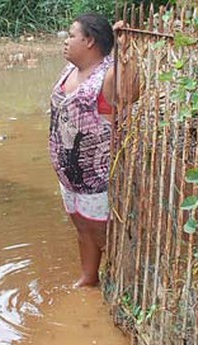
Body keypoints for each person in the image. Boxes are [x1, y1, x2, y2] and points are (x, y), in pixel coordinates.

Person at [48, 13, 133, 287]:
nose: (66, 40)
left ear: (90, 41)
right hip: (70, 177)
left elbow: (131, 93)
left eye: (72, 35)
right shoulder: (70, 70)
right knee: (81, 228)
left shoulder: (108, 74)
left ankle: (118, 280)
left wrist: (125, 51)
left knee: (100, 232)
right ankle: (88, 277)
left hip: (96, 179)